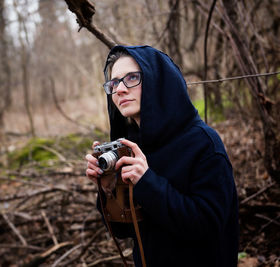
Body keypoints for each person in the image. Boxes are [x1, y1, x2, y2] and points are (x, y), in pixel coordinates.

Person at [85, 45, 239, 267]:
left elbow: (209, 225)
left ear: (159, 81)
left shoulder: (203, 143)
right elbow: (123, 231)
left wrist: (147, 181)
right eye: (114, 82)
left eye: (132, 78)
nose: (119, 89)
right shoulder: (130, 147)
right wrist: (108, 190)